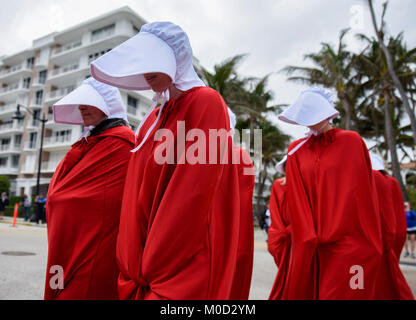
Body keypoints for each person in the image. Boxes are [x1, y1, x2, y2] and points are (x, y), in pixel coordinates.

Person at [91, 22, 249, 299]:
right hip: (141, 266)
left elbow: (192, 196)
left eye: (154, 60)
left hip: (179, 267)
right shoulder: (154, 117)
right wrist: (131, 259)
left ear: (178, 59)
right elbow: (136, 189)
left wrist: (152, 263)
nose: (146, 70)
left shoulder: (206, 102)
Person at [277, 88, 383, 299]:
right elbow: (298, 200)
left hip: (352, 244)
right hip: (313, 245)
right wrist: (307, 240)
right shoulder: (296, 150)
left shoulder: (351, 142)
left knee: (350, 294)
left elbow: (361, 195)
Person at [44, 77, 135, 300]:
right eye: (81, 102)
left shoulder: (122, 143)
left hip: (99, 244)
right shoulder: (93, 140)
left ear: (108, 105)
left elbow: (111, 198)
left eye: (89, 102)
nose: (81, 107)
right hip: (74, 239)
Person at [370, 153, 414, 299]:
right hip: (390, 239)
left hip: (373, 242)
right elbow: (399, 223)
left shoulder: (371, 179)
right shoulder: (392, 182)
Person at [268, 156, 291, 300]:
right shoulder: (278, 185)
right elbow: (275, 213)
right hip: (283, 236)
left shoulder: (307, 184)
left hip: (300, 236)